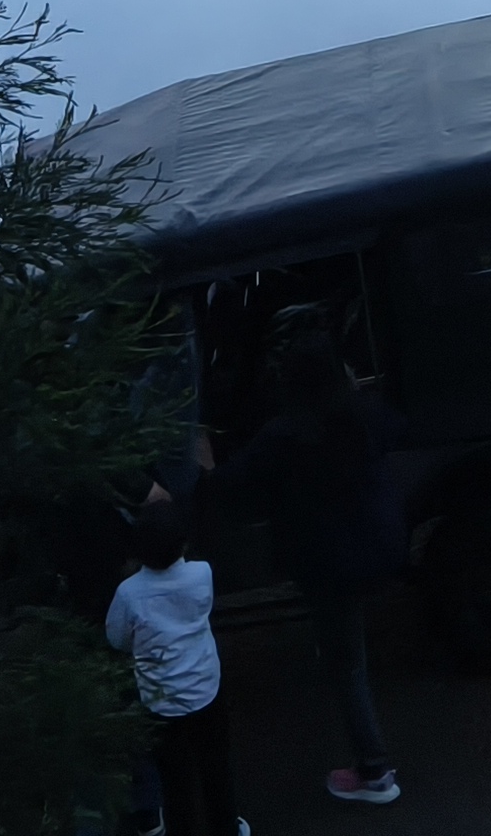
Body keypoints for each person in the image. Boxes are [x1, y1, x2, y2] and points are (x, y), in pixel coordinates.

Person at [212, 316, 407, 806]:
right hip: (381, 547)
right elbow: (396, 429)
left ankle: (375, 773)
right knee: (349, 652)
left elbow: (229, 484)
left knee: (348, 667)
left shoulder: (283, 434)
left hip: (328, 565)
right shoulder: (363, 413)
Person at [105, 494, 244, 836]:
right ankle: (226, 828)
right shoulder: (202, 574)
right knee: (216, 766)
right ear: (184, 541)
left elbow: (116, 638)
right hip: (206, 686)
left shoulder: (129, 593)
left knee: (175, 778)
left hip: (160, 700)